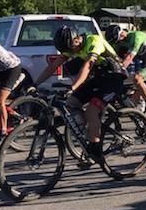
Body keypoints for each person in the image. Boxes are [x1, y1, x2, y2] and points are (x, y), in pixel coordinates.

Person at [33, 26, 125, 162]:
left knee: (91, 111)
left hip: (115, 77)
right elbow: (53, 66)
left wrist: (73, 87)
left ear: (76, 40)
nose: (70, 52)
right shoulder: (72, 45)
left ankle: (96, 149)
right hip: (99, 77)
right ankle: (89, 131)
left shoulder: (94, 41)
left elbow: (87, 65)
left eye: (70, 49)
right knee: (71, 103)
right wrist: (35, 84)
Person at [105, 25, 146, 116]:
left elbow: (129, 58)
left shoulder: (136, 36)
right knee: (134, 96)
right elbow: (114, 56)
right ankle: (143, 118)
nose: (119, 42)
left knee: (137, 78)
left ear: (122, 33)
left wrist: (119, 71)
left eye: (119, 39)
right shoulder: (121, 42)